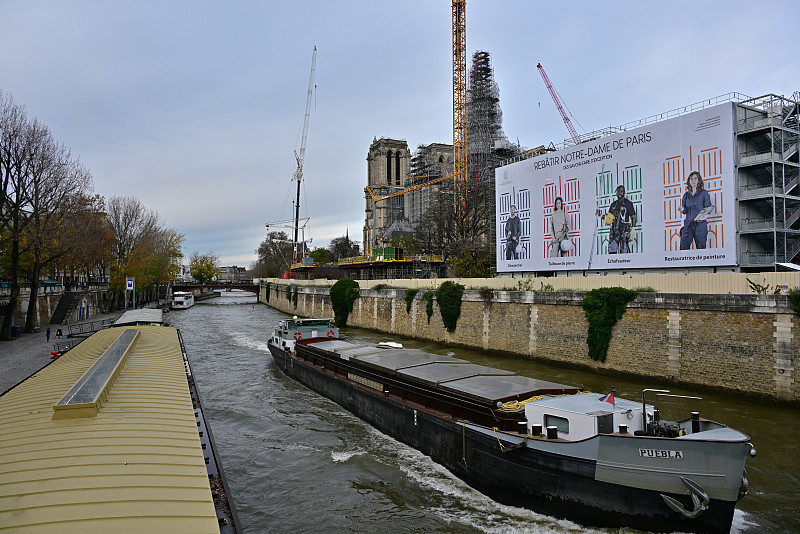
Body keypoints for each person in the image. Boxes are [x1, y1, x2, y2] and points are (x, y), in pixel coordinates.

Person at [678, 171, 713, 250]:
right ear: (689, 181)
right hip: (688, 224)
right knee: (683, 248)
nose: (693, 180)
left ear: (698, 180)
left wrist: (701, 218)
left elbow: (708, 207)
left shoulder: (704, 193)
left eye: (695, 178)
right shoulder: (686, 195)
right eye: (691, 179)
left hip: (700, 225)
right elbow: (686, 211)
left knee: (701, 248)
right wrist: (683, 210)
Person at [598, 185, 637, 254]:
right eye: (618, 191)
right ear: (616, 192)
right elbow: (608, 218)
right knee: (612, 252)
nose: (620, 193)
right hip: (614, 231)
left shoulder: (628, 203)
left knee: (624, 252)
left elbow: (633, 217)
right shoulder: (613, 204)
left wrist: (633, 230)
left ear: (624, 192)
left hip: (624, 231)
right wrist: (600, 215)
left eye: (621, 191)